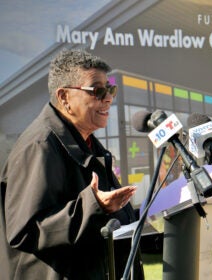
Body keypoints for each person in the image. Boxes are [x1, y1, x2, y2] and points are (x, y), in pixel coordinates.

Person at [0, 49, 144, 279]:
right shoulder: (40, 145)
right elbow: (24, 231)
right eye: (97, 90)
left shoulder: (88, 144)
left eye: (111, 89)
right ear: (64, 97)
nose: (108, 98)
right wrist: (94, 205)